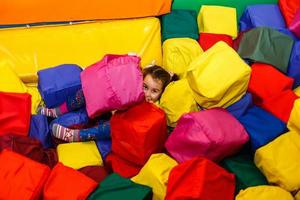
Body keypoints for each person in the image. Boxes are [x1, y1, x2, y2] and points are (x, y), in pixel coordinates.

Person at [38, 65, 178, 142]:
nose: (147, 94)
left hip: (119, 123)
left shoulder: (155, 108)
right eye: (145, 87)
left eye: (154, 91)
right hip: (109, 110)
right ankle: (57, 111)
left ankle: (76, 135)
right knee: (87, 91)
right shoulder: (133, 89)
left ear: (161, 93)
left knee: (110, 128)